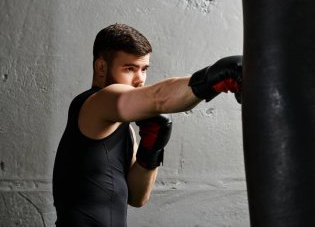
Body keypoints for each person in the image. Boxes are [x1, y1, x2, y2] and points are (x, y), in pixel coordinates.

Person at [52, 23, 242, 227]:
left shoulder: (122, 126)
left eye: (144, 69)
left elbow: (137, 197)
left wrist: (151, 150)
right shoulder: (96, 103)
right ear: (101, 67)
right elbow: (158, 98)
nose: (139, 79)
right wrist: (219, 74)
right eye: (129, 69)